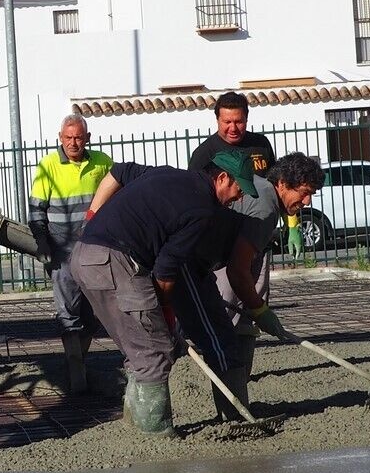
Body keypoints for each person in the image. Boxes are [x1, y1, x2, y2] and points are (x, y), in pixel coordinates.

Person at [71, 149, 285, 436]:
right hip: (115, 262)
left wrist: (91, 217)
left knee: (140, 349)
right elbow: (166, 270)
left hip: (85, 257)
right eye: (238, 189)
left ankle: (136, 428)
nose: (238, 198)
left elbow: (119, 172)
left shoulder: (169, 174)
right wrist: (165, 313)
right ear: (222, 178)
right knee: (154, 351)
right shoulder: (201, 209)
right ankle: (156, 437)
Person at [210, 152, 324, 418]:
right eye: (304, 193)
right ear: (282, 183)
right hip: (215, 266)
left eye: (311, 195)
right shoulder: (266, 207)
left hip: (217, 261)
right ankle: (233, 414)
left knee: (234, 332)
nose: (307, 202)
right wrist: (259, 310)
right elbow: (237, 270)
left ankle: (236, 409)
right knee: (227, 334)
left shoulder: (263, 190)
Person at [28, 114, 113, 394]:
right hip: (62, 252)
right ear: (60, 138)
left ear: (87, 138)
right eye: (68, 138)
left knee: (94, 313)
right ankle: (76, 373)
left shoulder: (102, 163)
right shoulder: (48, 166)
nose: (73, 143)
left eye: (78, 138)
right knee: (68, 312)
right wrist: (42, 240)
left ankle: (78, 361)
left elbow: (117, 196)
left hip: (95, 250)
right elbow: (36, 209)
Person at [188, 91, 276, 178]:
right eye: (227, 122)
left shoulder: (261, 143)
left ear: (246, 119)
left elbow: (274, 181)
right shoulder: (203, 154)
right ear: (217, 120)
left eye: (238, 122)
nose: (233, 128)